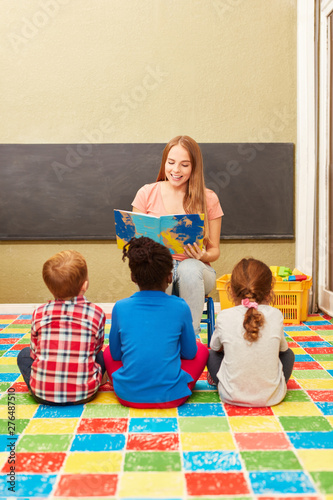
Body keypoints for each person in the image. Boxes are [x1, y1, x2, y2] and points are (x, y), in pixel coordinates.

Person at [132, 135, 223, 335]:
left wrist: (203, 256)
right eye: (171, 162)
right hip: (160, 269)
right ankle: (159, 336)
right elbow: (134, 243)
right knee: (163, 268)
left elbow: (214, 250)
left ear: (194, 167)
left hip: (198, 271)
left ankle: (191, 338)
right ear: (164, 162)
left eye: (184, 165)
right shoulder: (146, 193)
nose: (175, 170)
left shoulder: (208, 198)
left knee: (188, 268)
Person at [103, 236, 209, 408]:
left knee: (107, 352)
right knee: (202, 350)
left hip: (127, 395)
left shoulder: (120, 307)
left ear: (132, 277)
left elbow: (115, 355)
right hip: (172, 397)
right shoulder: (180, 306)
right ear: (169, 277)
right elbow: (190, 354)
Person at [17, 250, 106, 405]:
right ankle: (97, 379)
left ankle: (41, 384)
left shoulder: (39, 313)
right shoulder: (96, 314)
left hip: (42, 394)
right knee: (103, 355)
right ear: (84, 285)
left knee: (23, 355)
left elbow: (34, 353)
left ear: (50, 288)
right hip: (84, 394)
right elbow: (96, 349)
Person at [207, 258, 295, 407]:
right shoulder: (276, 314)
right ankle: (272, 387)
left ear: (231, 290)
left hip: (230, 395)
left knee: (210, 354)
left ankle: (221, 381)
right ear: (269, 291)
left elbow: (215, 348)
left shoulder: (223, 316)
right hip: (272, 397)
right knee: (288, 354)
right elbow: (283, 350)